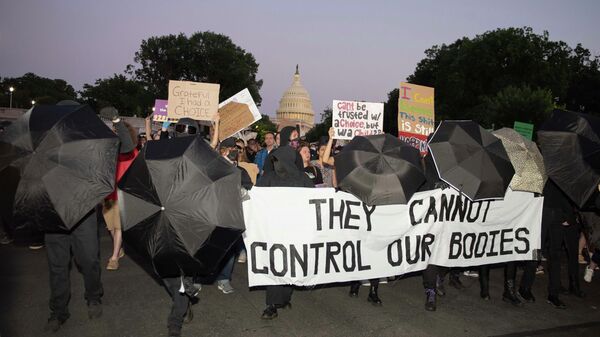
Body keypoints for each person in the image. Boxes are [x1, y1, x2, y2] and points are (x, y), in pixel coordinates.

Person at [44, 100, 103, 333]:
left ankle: (94, 296)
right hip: (52, 212)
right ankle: (58, 311)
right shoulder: (45, 144)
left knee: (89, 260)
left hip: (83, 210)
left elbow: (123, 147)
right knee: (57, 266)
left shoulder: (88, 143)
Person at [257, 146, 314, 319]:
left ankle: (278, 301)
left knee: (284, 266)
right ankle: (276, 302)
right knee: (284, 266)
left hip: (284, 231)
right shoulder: (301, 179)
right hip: (285, 232)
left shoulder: (270, 178)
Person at [100, 107, 139, 271]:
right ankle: (119, 249)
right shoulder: (110, 150)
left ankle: (114, 257)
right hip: (109, 194)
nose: (114, 133)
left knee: (118, 227)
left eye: (117, 131)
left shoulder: (133, 152)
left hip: (123, 196)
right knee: (111, 227)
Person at [543, 179, 584, 309]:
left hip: (570, 213)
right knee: (555, 252)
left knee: (571, 250)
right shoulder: (556, 171)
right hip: (559, 212)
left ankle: (573, 284)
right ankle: (557, 286)